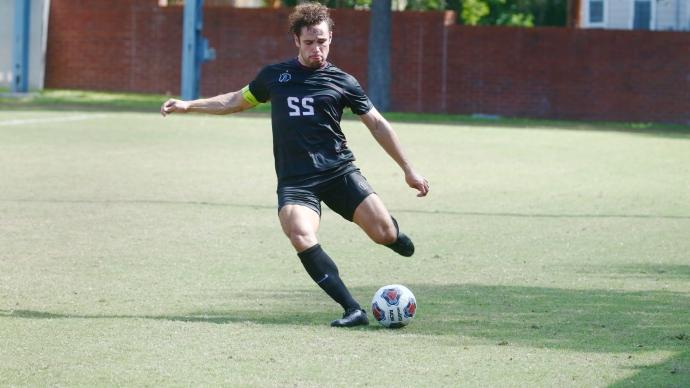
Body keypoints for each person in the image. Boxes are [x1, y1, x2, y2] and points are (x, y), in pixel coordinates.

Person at [161, 2, 429, 327]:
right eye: (309, 42)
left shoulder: (344, 81)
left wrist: (408, 169)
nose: (317, 49)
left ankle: (392, 235)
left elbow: (376, 124)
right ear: (296, 41)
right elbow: (235, 100)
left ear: (331, 38)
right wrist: (189, 105)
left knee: (383, 233)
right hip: (296, 181)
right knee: (300, 233)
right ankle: (351, 309)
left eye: (322, 41)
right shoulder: (275, 77)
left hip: (339, 172)